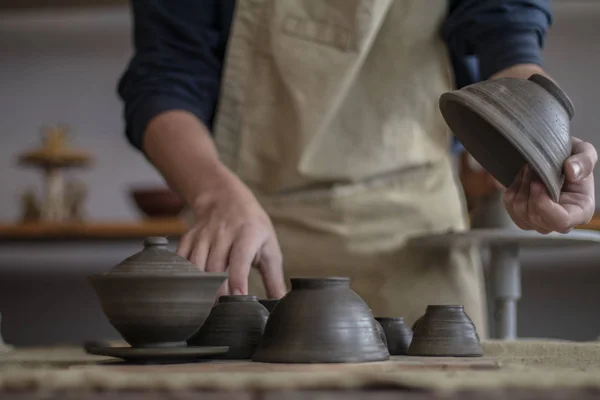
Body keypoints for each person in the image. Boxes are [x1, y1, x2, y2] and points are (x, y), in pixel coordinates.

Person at [118, 0, 596, 336]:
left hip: (415, 244)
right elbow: (164, 76)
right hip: (252, 236)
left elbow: (506, 35)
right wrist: (213, 193)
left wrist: (539, 143)